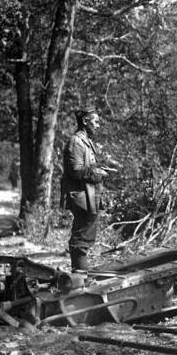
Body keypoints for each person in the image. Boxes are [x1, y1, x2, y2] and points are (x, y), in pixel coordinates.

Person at [60, 107, 116, 272]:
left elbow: (85, 167)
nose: (98, 125)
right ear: (85, 121)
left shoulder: (85, 141)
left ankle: (81, 277)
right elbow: (75, 171)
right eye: (95, 121)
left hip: (89, 196)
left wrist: (101, 168)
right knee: (81, 240)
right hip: (82, 197)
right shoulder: (76, 141)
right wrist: (98, 173)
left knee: (85, 238)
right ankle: (80, 279)